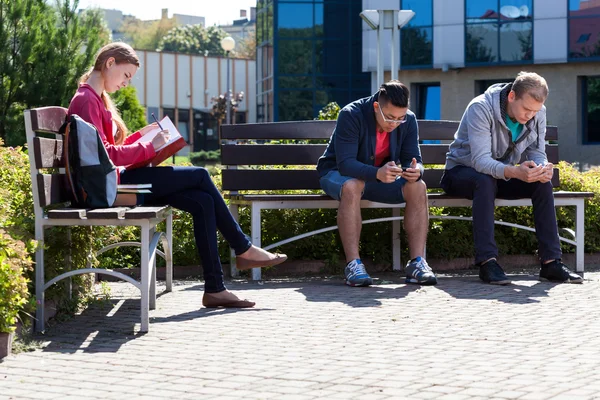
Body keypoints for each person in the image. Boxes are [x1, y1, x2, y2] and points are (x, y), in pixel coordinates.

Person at [68, 42, 287, 308]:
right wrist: (149, 145)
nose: (126, 83)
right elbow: (107, 156)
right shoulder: (86, 100)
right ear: (110, 63)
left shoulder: (95, 99)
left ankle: (215, 289)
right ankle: (243, 248)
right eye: (126, 75)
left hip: (117, 182)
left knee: (202, 201)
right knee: (201, 175)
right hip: (114, 189)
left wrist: (147, 140)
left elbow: (107, 153)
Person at [441, 71, 583, 285]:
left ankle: (551, 263)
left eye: (535, 111)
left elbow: (537, 151)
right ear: (511, 96)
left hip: (499, 175)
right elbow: (480, 162)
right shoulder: (480, 108)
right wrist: (516, 171)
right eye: (526, 109)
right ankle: (487, 262)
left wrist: (541, 168)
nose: (530, 115)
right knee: (484, 180)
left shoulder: (538, 112)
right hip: (460, 173)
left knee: (541, 184)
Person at [316, 81, 437, 287]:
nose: (394, 123)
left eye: (400, 119)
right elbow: (345, 164)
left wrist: (415, 171)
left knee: (418, 186)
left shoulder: (408, 119)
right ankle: (353, 265)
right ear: (376, 107)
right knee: (352, 185)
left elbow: (413, 157)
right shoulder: (351, 114)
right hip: (338, 175)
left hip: (377, 178)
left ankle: (417, 263)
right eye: (390, 117)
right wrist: (377, 173)